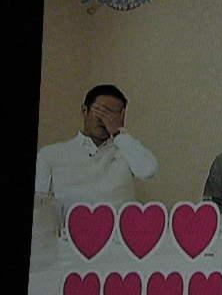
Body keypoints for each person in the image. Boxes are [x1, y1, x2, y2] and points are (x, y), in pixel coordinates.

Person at [34, 84, 159, 225]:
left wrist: (118, 134)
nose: (105, 119)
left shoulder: (126, 150)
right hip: (69, 234)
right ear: (84, 110)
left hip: (118, 235)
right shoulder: (50, 154)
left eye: (112, 114)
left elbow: (149, 170)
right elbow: (39, 206)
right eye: (100, 111)